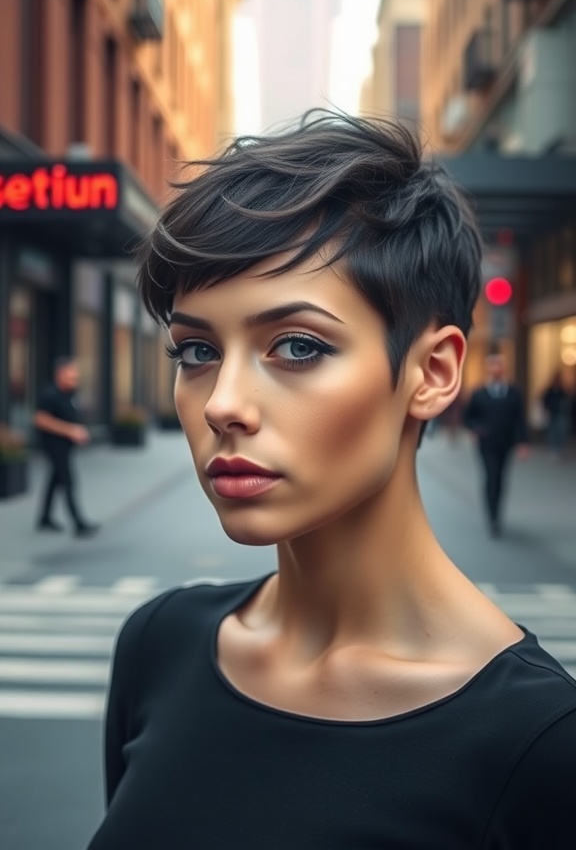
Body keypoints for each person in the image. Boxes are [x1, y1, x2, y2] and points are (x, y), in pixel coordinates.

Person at [88, 112, 575, 849]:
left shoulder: (543, 746)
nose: (222, 404)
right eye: (195, 352)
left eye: (296, 345)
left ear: (433, 372)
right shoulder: (159, 647)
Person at [463, 350, 529, 537]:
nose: (496, 369)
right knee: (491, 476)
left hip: (505, 443)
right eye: (493, 365)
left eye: (499, 365)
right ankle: (492, 517)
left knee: (500, 478)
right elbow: (468, 417)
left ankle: (497, 512)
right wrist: (476, 429)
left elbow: (520, 419)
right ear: (488, 369)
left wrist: (523, 442)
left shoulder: (513, 393)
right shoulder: (479, 394)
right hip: (486, 443)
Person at [34, 356, 99, 536]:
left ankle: (44, 518)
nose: (74, 380)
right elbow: (41, 420)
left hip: (65, 445)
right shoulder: (49, 394)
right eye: (71, 376)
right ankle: (79, 523)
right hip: (54, 445)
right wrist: (71, 431)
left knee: (54, 481)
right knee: (68, 481)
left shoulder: (69, 394)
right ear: (60, 374)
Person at [542, 369, 572, 456]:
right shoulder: (550, 390)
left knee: (561, 431)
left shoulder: (562, 390)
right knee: (553, 431)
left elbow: (567, 399)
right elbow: (545, 400)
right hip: (553, 413)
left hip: (561, 413)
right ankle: (554, 448)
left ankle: (558, 448)